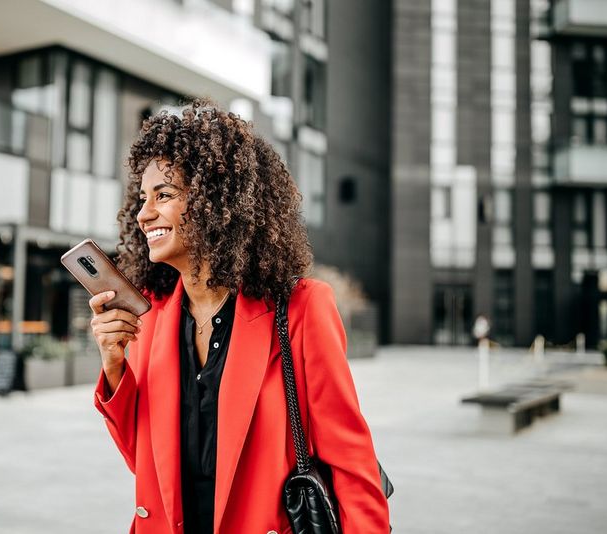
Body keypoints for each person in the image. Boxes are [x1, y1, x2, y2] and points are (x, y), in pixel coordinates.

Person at [89, 100, 389, 534]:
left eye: (164, 194)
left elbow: (352, 466)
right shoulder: (152, 316)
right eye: (142, 198)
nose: (143, 213)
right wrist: (115, 368)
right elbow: (147, 467)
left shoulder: (302, 308)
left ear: (214, 198)